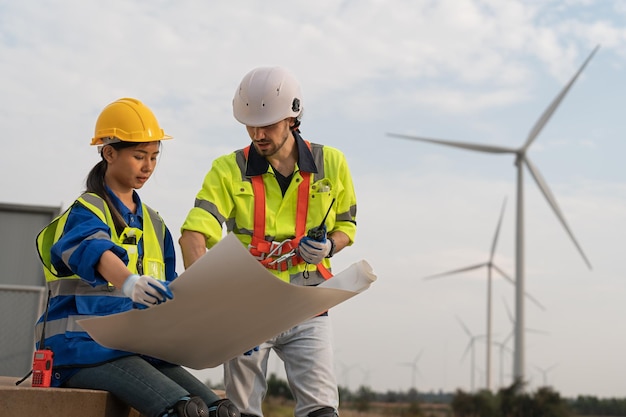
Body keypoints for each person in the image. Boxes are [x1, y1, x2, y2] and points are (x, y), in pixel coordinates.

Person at [33, 98, 240, 417]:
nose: (148, 166)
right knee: (186, 411)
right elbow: (93, 249)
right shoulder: (87, 211)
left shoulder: (155, 224)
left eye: (155, 157)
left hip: (138, 350)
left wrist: (227, 331)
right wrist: (129, 282)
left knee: (223, 410)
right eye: (139, 156)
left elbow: (172, 299)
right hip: (80, 351)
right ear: (109, 152)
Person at [179, 67, 358, 417]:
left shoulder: (332, 164)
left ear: (293, 117)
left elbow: (346, 225)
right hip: (248, 307)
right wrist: (205, 298)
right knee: (240, 412)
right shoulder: (227, 169)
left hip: (308, 303)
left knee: (322, 410)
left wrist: (330, 247)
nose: (258, 134)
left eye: (268, 125)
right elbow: (193, 236)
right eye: (250, 125)